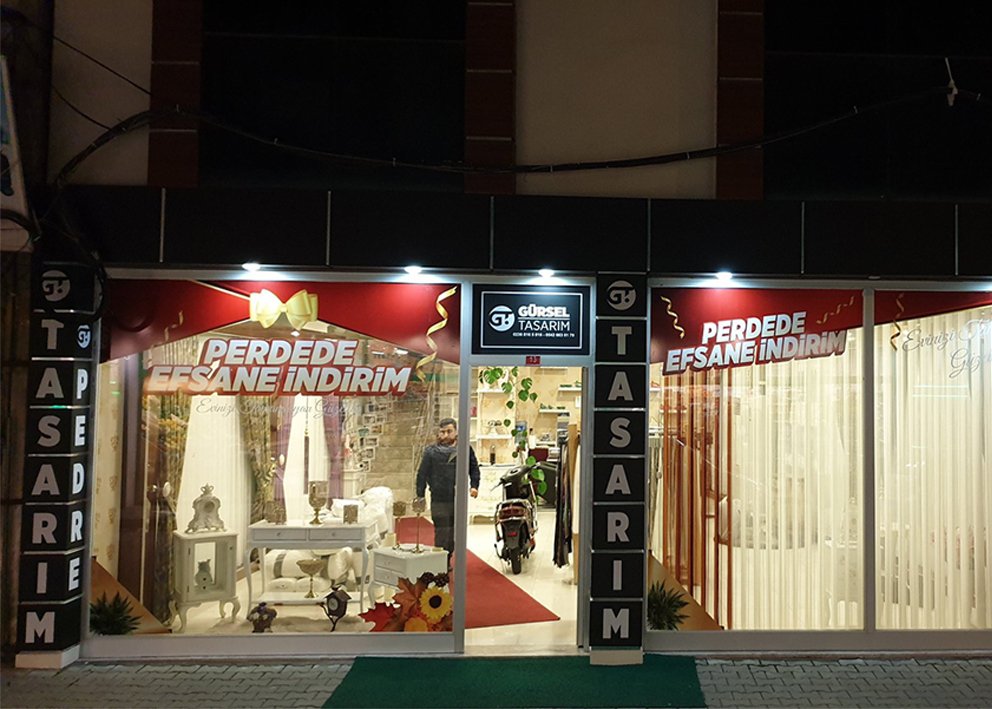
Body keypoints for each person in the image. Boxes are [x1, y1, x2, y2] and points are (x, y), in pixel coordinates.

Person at [414, 418, 480, 558]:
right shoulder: (431, 451)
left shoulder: (464, 449)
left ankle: (449, 556)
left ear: (456, 432)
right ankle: (441, 560)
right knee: (442, 530)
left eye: (449, 431)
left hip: (458, 497)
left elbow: (473, 468)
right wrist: (420, 495)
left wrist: (474, 486)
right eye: (442, 432)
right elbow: (422, 474)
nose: (445, 435)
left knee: (455, 530)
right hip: (438, 497)